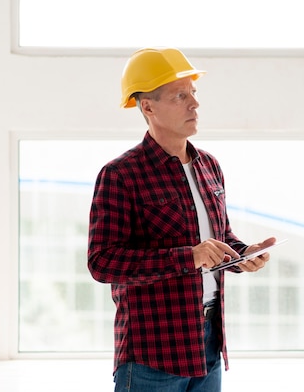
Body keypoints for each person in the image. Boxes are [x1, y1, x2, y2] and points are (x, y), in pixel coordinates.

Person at [87, 47, 275, 392]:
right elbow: (102, 263)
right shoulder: (121, 174)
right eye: (180, 96)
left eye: (194, 93)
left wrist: (243, 254)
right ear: (148, 107)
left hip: (208, 340)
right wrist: (188, 257)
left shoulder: (209, 166)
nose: (195, 104)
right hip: (152, 351)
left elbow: (218, 238)